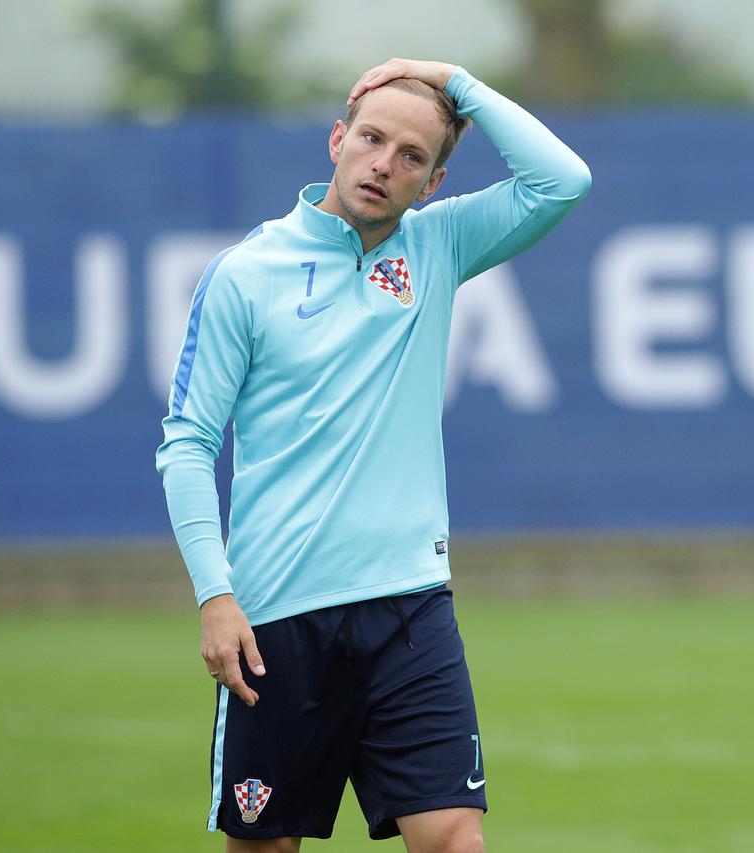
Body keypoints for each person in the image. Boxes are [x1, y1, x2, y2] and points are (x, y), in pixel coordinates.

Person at [155, 57, 591, 852]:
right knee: (264, 846)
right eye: (372, 139)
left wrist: (454, 81)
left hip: (409, 607)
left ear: (432, 182)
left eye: (412, 155)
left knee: (456, 839)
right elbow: (188, 443)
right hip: (276, 615)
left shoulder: (439, 244)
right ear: (337, 140)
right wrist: (215, 595)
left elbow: (562, 181)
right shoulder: (246, 276)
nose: (385, 163)